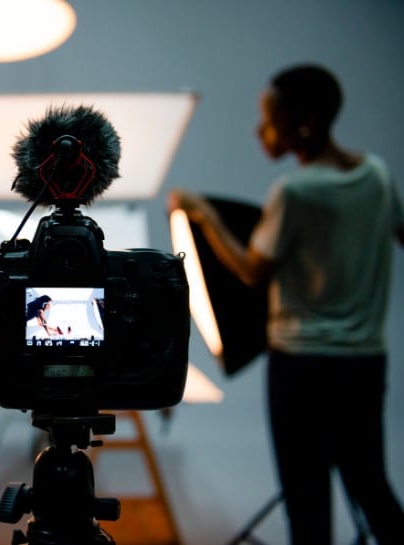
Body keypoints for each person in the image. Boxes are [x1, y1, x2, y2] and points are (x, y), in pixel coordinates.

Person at [168, 64, 404, 544]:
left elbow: (253, 270)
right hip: (363, 364)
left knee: (306, 502)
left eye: (270, 120)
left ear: (305, 124)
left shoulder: (295, 192)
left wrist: (204, 214)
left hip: (301, 368)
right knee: (371, 486)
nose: (261, 131)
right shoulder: (377, 175)